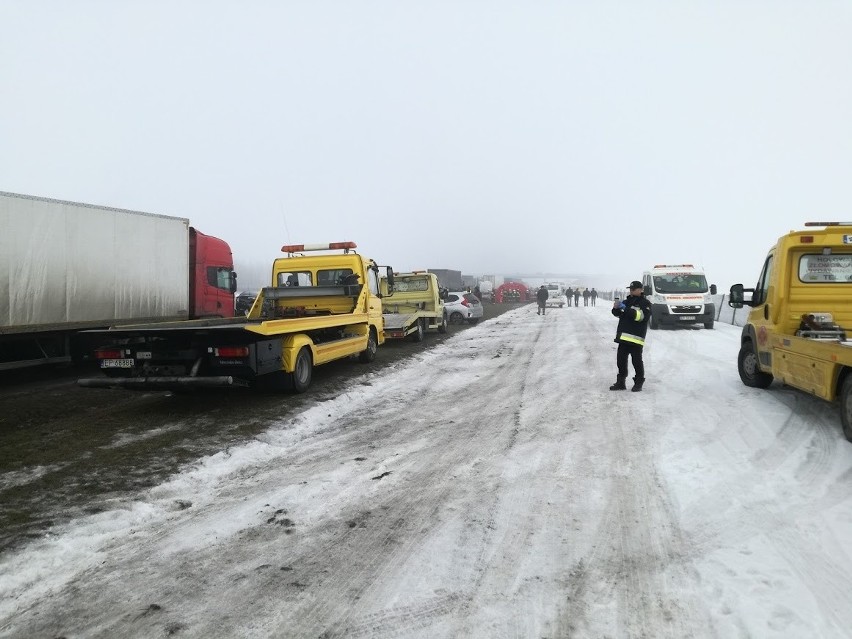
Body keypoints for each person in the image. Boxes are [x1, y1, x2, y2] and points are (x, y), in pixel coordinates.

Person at [610, 280, 652, 392]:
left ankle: (638, 382)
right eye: (630, 289)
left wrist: (625, 308)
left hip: (636, 338)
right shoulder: (627, 301)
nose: (631, 291)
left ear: (641, 290)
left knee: (636, 361)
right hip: (624, 336)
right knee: (621, 361)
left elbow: (641, 317)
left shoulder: (645, 303)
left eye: (634, 289)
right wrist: (616, 308)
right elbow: (618, 314)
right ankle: (620, 382)